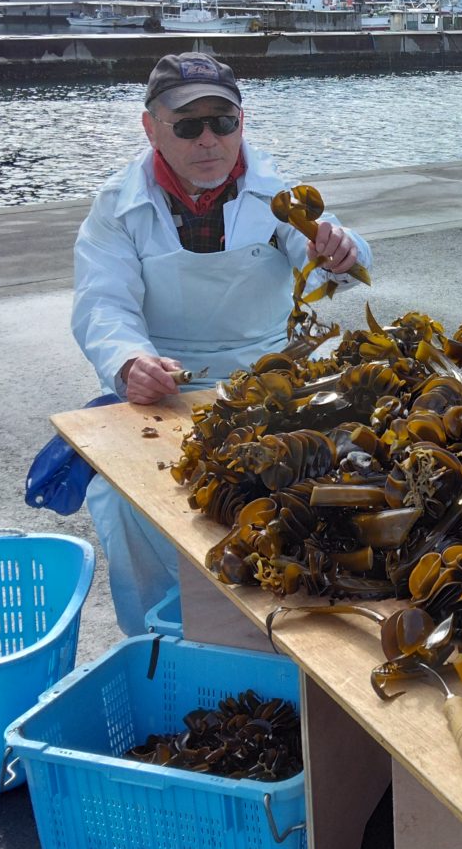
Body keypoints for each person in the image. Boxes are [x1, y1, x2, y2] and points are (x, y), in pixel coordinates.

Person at [70, 52, 371, 631]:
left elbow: (334, 253)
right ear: (150, 127)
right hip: (164, 389)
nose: (209, 140)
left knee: (318, 496)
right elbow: (104, 304)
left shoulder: (277, 195)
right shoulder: (116, 208)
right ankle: (164, 635)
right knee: (122, 501)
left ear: (242, 122)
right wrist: (128, 361)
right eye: (188, 125)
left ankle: (282, 631)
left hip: (274, 386)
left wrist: (339, 251)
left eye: (223, 122)